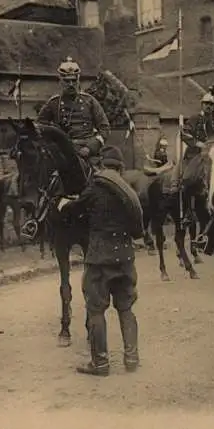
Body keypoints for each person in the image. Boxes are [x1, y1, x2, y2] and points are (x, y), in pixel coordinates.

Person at [60, 145, 144, 377]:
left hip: (99, 259)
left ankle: (100, 363)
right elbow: (137, 228)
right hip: (125, 258)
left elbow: (74, 211)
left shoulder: (95, 188)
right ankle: (132, 358)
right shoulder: (128, 191)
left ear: (102, 165)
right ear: (120, 167)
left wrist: (63, 205)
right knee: (126, 308)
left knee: (96, 310)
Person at [37, 56, 110, 163]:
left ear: (78, 80)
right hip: (61, 151)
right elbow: (39, 126)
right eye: (67, 81)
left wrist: (90, 148)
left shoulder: (90, 101)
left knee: (101, 177)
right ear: (60, 82)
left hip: (86, 152)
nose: (71, 84)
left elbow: (104, 128)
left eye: (73, 80)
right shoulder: (53, 103)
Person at [169, 90, 214, 193]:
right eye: (206, 104)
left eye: (211, 105)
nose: (209, 106)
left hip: (209, 155)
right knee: (186, 173)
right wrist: (197, 143)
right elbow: (184, 133)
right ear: (202, 105)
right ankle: (175, 183)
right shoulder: (195, 119)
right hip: (194, 154)